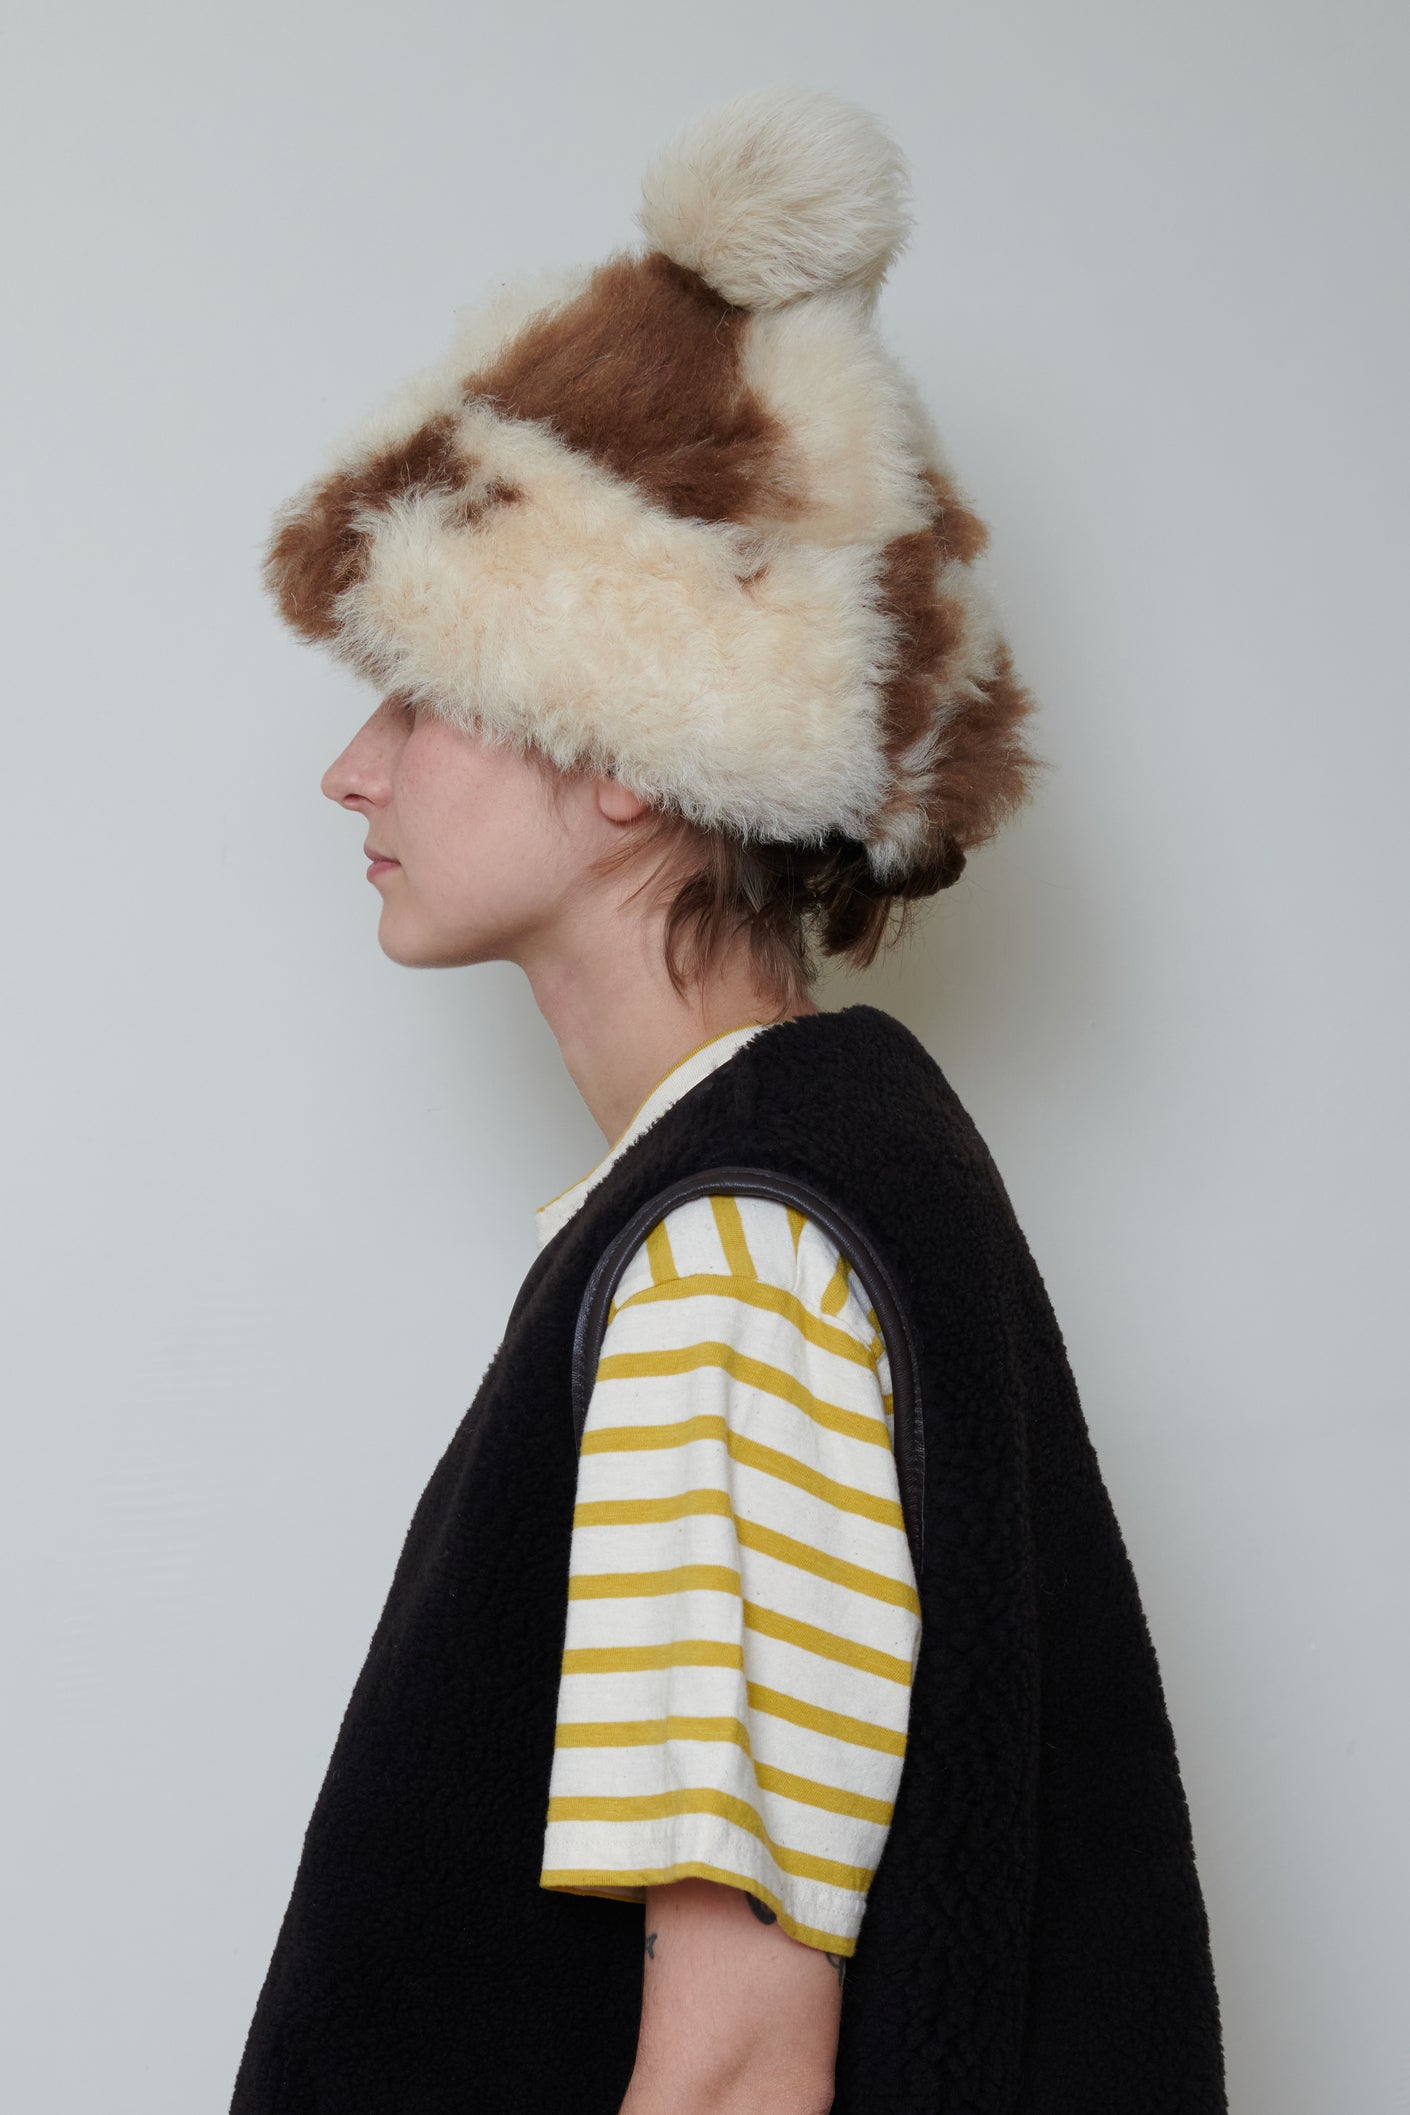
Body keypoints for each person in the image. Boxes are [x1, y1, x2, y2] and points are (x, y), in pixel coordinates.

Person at [230, 86, 1227, 2115]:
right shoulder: (790, 1184)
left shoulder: (731, 1263)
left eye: (419, 696)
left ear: (626, 745)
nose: (353, 771)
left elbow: (740, 2067)